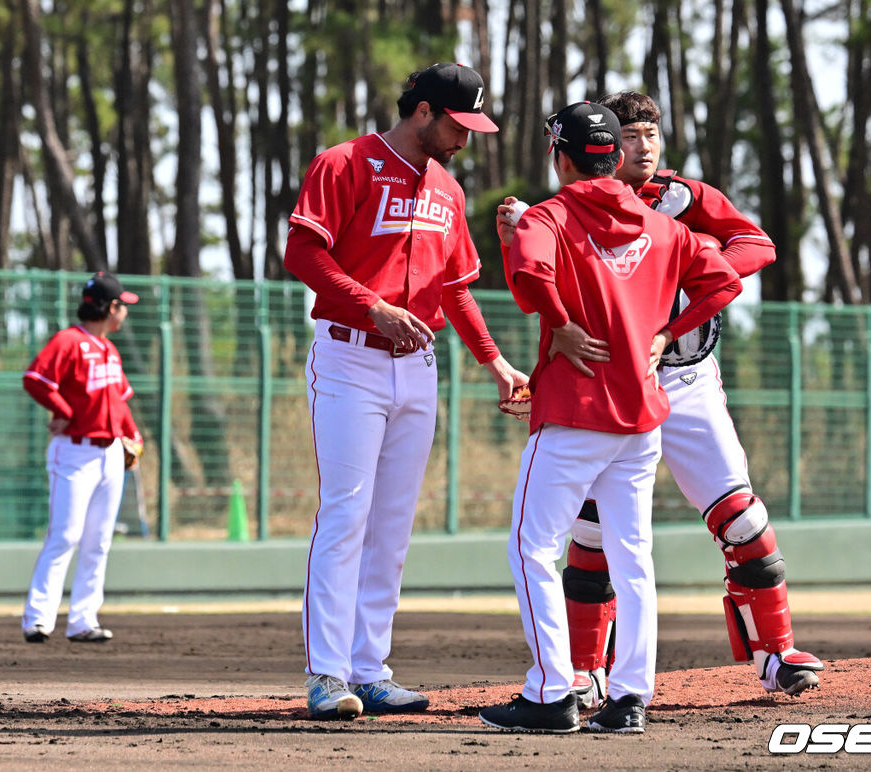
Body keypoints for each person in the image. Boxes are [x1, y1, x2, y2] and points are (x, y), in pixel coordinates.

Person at [477, 102, 742, 734]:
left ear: (561, 157)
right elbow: (726, 281)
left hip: (574, 413)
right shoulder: (664, 226)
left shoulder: (551, 215)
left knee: (532, 547)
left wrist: (558, 320)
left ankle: (551, 694)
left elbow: (530, 276)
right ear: (615, 157)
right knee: (633, 554)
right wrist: (670, 331)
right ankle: (629, 699)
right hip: (642, 417)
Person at [556, 91, 825, 709]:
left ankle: (777, 652)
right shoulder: (576, 205)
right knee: (594, 531)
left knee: (744, 519)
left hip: (687, 376)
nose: (643, 146)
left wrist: (693, 271)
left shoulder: (684, 198)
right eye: (629, 135)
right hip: (613, 385)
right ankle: (587, 670)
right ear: (602, 144)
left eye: (651, 133)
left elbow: (756, 244)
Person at [284, 62, 528, 720]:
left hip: (418, 366)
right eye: (458, 124)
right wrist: (372, 307)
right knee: (346, 515)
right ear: (422, 111)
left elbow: (455, 290)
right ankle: (327, 674)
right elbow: (303, 254)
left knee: (391, 527)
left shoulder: (445, 190)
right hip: (350, 358)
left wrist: (497, 362)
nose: (466, 138)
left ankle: (370, 669)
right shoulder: (346, 163)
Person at [21, 272, 143, 644]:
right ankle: (38, 619)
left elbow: (118, 402)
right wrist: (64, 412)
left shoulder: (108, 349)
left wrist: (132, 435)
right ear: (109, 308)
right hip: (74, 451)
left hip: (108, 455)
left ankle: (83, 620)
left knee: (99, 540)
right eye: (122, 305)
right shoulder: (69, 340)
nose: (124, 311)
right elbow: (35, 379)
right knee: (66, 535)